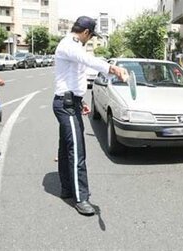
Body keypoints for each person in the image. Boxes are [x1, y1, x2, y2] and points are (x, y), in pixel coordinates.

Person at [53, 16, 128, 216]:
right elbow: (88, 60)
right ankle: (81, 198)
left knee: (67, 147)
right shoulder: (69, 44)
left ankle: (67, 188)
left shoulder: (74, 46)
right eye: (91, 35)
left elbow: (73, 78)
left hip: (71, 102)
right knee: (77, 150)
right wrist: (113, 68)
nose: (90, 39)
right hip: (65, 105)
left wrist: (81, 101)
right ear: (86, 32)